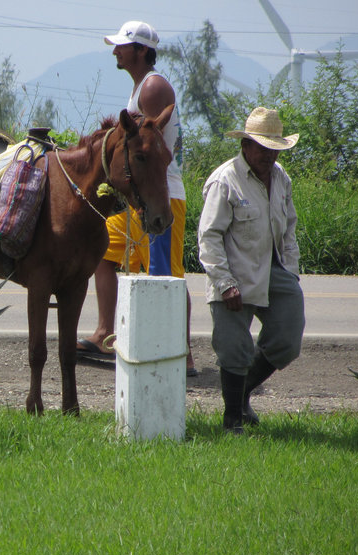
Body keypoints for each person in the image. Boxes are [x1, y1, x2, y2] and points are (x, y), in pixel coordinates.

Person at [77, 20, 196, 376]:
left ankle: (182, 351)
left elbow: (146, 146)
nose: (116, 50)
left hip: (160, 195)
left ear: (142, 51)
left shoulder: (153, 86)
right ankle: (105, 333)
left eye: (122, 46)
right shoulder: (140, 88)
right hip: (138, 196)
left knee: (165, 277)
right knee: (104, 251)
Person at [198, 107, 305, 434]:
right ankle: (232, 421)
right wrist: (225, 283)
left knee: (287, 337)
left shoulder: (281, 178)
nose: (267, 155)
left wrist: (290, 271)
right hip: (232, 274)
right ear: (245, 146)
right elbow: (209, 236)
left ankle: (243, 393)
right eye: (261, 147)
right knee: (234, 348)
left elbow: (289, 228)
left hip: (273, 269)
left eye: (274, 148)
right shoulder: (225, 180)